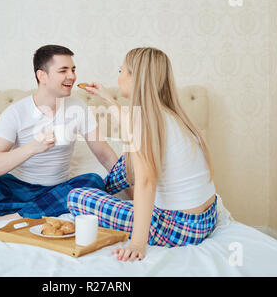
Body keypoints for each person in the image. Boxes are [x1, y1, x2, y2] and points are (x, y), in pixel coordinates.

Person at [67, 47, 217, 262]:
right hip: (205, 219)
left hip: (178, 226)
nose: (118, 78)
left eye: (121, 71)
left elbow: (146, 182)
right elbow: (132, 129)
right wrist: (109, 100)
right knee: (125, 162)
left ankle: (102, 188)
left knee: (76, 197)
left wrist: (138, 243)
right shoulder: (170, 115)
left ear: (135, 77)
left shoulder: (143, 121)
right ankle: (106, 187)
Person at [0, 45, 118, 222]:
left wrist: (135, 196)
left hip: (55, 190)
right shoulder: (16, 112)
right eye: (63, 70)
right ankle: (37, 210)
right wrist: (33, 148)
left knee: (94, 181)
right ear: (42, 76)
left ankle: (8, 216)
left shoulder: (78, 108)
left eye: (73, 69)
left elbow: (105, 155)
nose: (72, 76)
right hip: (13, 190)